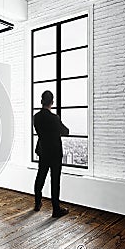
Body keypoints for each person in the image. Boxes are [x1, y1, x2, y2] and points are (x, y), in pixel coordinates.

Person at [33, 90, 70, 218]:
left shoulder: (36, 117)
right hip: (54, 153)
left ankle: (37, 203)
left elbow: (41, 132)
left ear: (41, 101)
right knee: (55, 181)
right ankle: (56, 209)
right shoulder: (54, 118)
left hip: (43, 151)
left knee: (40, 177)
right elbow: (66, 131)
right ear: (52, 102)